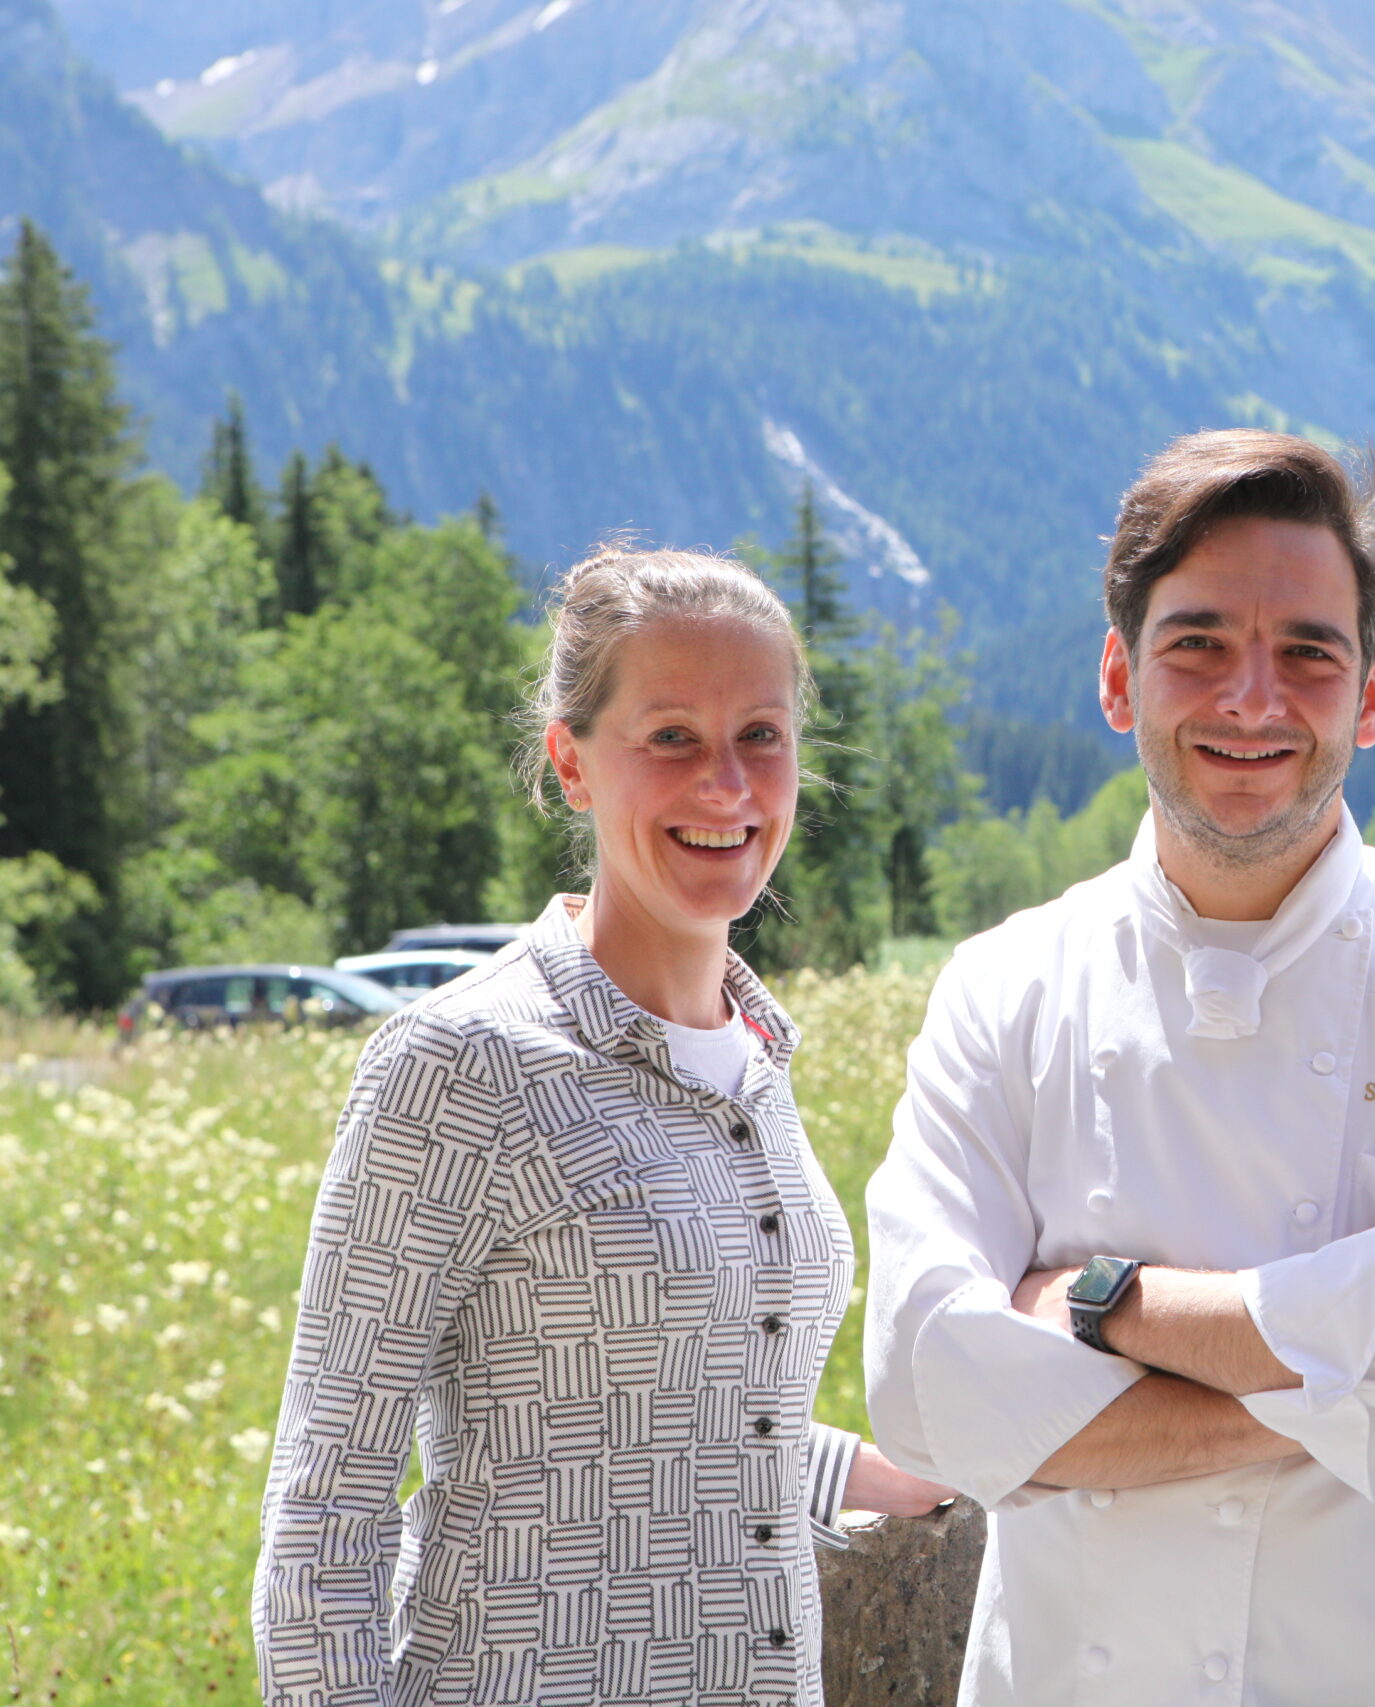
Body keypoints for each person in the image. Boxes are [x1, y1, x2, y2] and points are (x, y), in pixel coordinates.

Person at [863, 430, 1375, 1706]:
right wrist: (1342, 1382)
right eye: (1197, 642)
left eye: (1308, 651)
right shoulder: (1004, 986)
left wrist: (1092, 1308)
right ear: (1117, 679)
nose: (1252, 698)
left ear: (1372, 694)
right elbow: (923, 1388)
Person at [251, 546, 948, 1707]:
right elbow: (328, 1508)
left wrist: (862, 1469)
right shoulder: (461, 1063)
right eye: (671, 737)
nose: (725, 784)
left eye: (761, 736)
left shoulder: (759, 1058)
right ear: (572, 764)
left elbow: (674, 1401)